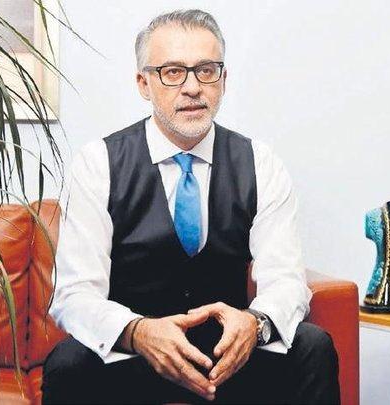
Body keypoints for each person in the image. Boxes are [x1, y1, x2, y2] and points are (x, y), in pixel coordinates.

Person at [41, 9, 340, 404]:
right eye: (172, 72)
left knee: (313, 347)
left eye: (206, 70)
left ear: (223, 79)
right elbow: (75, 294)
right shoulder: (98, 163)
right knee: (68, 364)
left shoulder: (260, 162)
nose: (193, 87)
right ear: (143, 83)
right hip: (135, 354)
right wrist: (138, 332)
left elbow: (285, 279)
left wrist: (255, 324)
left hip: (227, 354)